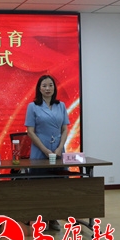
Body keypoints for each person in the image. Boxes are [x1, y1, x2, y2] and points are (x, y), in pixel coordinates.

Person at [24, 74, 70, 231]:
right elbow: (30, 131)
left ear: (54, 88)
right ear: (39, 88)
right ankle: (40, 218)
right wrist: (44, 150)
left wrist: (59, 148)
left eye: (50, 85)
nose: (48, 88)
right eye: (44, 85)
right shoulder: (33, 106)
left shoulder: (61, 105)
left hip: (58, 149)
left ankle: (54, 218)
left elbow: (65, 129)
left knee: (58, 186)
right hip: (39, 150)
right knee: (40, 186)